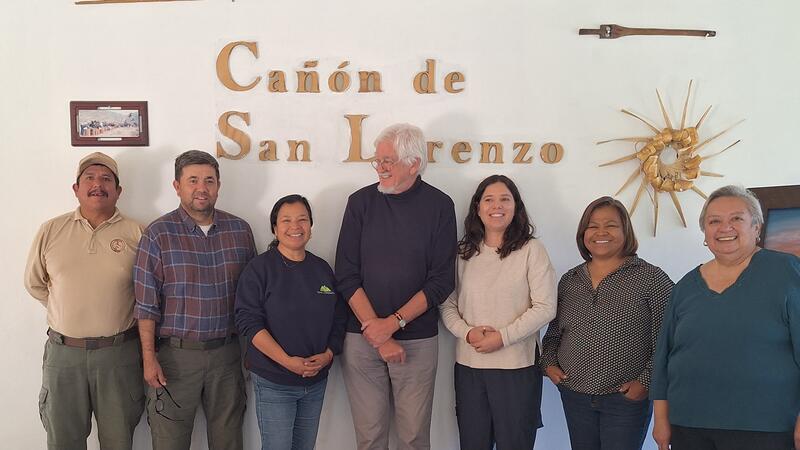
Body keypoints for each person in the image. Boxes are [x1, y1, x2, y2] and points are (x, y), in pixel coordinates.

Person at [335, 123, 457, 450]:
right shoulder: (360, 203)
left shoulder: (440, 206)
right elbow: (346, 274)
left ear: (413, 163)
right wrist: (378, 332)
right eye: (377, 160)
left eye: (387, 160)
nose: (380, 167)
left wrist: (391, 325)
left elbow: (441, 280)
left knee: (414, 438)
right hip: (362, 337)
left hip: (417, 339)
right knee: (370, 438)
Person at [651, 185, 800, 450]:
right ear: (705, 232)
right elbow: (664, 356)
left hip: (766, 426)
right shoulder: (686, 285)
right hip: (689, 424)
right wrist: (661, 419)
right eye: (714, 221)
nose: (725, 228)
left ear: (756, 227)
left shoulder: (787, 272)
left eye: (736, 218)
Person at [134, 150, 256, 450]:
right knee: (169, 442)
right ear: (177, 186)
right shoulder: (158, 234)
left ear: (218, 186)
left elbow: (252, 300)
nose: (202, 188)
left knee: (229, 441)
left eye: (209, 181)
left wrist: (252, 351)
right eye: (193, 180)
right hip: (175, 359)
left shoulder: (240, 231)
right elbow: (146, 305)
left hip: (227, 356)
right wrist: (148, 359)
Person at [24, 152, 144, 449]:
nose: (97, 185)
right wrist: (65, 308)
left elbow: (149, 292)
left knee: (118, 441)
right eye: (89, 178)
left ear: (118, 190)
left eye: (106, 179)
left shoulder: (139, 232)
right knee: (63, 441)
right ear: (76, 188)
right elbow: (35, 283)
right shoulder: (51, 230)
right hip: (64, 356)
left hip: (118, 356)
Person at [541, 196, 673, 450]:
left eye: (611, 225)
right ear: (583, 233)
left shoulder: (651, 278)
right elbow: (554, 334)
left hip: (625, 401)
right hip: (575, 396)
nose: (601, 232)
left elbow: (669, 339)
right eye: (592, 226)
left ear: (626, 231)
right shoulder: (570, 280)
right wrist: (549, 364)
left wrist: (645, 382)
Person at [439, 174, 557, 450]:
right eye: (489, 200)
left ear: (516, 206)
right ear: (478, 207)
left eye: (505, 199)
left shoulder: (532, 250)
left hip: (517, 369)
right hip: (469, 369)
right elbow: (447, 304)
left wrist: (502, 337)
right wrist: (468, 333)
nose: (497, 206)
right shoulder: (463, 253)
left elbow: (545, 307)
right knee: (473, 444)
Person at [235, 194, 347, 450]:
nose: (295, 226)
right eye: (286, 220)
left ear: (311, 226)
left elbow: (339, 318)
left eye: (302, 219)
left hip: (315, 381)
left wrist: (328, 354)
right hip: (274, 382)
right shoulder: (259, 269)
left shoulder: (322, 269)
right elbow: (248, 322)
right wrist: (287, 362)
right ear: (275, 228)